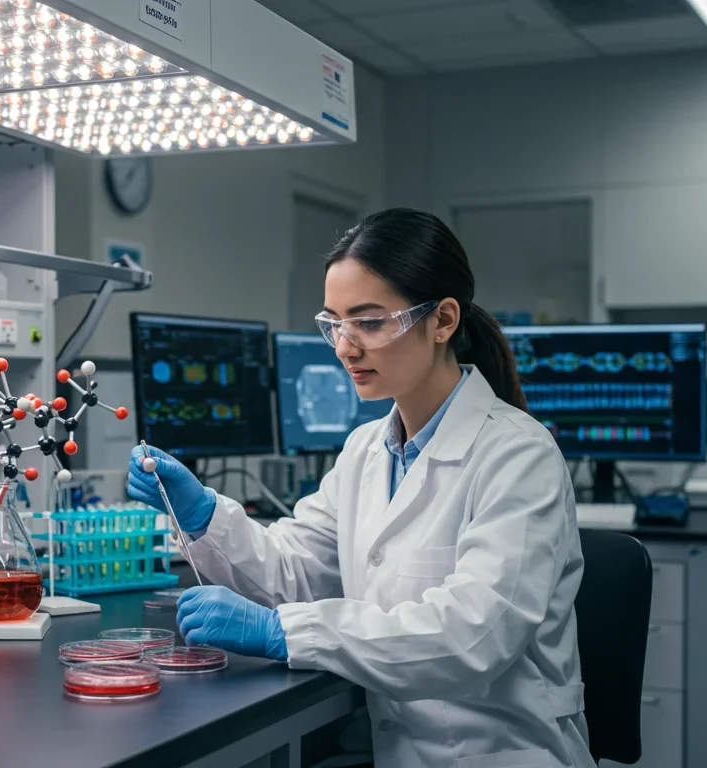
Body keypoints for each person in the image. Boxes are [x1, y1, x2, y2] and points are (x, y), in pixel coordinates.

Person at [128, 208, 593, 768]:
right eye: (334, 324)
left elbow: (473, 635)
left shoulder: (518, 454)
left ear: (443, 320)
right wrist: (203, 515)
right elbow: (296, 572)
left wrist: (282, 632)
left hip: (501, 753)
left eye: (369, 323)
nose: (344, 348)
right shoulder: (366, 450)